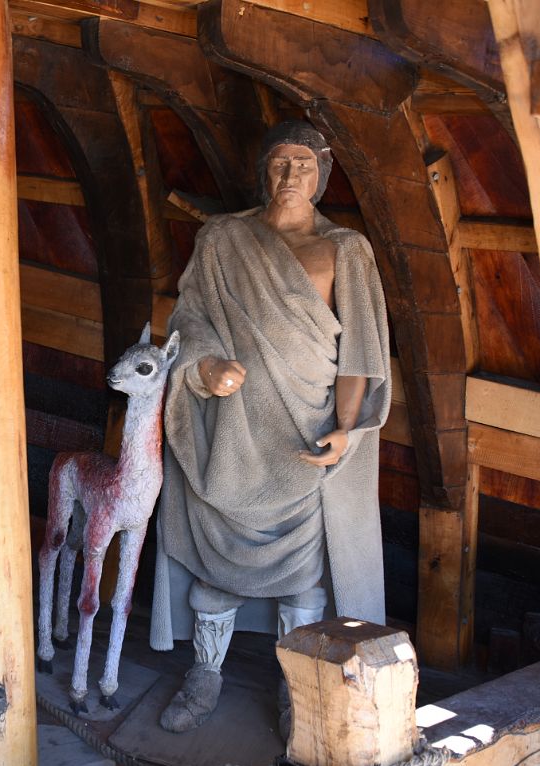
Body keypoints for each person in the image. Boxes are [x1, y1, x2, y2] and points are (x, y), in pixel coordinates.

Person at [150, 120, 392, 733]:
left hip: (305, 438)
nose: (291, 175)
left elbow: (360, 350)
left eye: (304, 165)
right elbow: (190, 316)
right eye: (280, 163)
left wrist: (345, 428)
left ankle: (298, 693)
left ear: (322, 175)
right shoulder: (223, 239)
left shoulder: (346, 250)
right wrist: (204, 366)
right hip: (234, 436)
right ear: (264, 170)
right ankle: (203, 678)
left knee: (303, 581)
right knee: (216, 569)